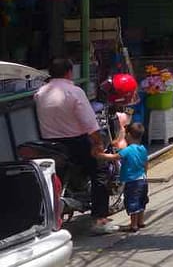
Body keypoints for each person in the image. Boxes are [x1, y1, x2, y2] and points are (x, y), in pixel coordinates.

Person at [34, 57, 120, 234]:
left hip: (49, 144)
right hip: (74, 142)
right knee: (100, 171)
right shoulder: (74, 92)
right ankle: (100, 220)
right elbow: (90, 124)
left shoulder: (40, 93)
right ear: (69, 72)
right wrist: (97, 144)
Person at [118, 123, 149, 232]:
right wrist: (145, 175)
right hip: (143, 179)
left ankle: (133, 224)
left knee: (132, 201)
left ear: (129, 135)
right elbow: (146, 164)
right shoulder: (143, 149)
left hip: (132, 181)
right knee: (142, 200)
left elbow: (115, 157)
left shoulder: (128, 150)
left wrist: (100, 155)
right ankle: (141, 222)